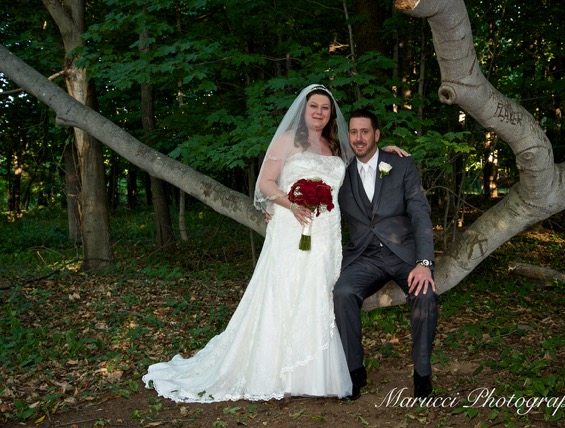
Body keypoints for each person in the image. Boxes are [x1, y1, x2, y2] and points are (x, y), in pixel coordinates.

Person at [142, 84, 405, 402]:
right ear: (304, 110)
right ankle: (277, 369)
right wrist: (290, 204)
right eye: (314, 106)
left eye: (325, 108)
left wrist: (383, 150)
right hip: (292, 226)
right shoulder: (287, 140)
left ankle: (314, 372)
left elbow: (360, 165)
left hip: (326, 234)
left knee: (319, 292)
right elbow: (265, 182)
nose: (319, 112)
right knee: (285, 291)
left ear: (331, 114)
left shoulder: (336, 146)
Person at [334, 109, 438, 401]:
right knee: (342, 293)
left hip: (403, 254)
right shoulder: (340, 173)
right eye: (354, 132)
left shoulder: (401, 164)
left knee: (425, 294)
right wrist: (277, 208)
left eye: (365, 132)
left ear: (377, 135)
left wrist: (424, 262)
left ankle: (422, 375)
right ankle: (354, 372)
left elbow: (420, 213)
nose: (359, 138)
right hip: (365, 257)